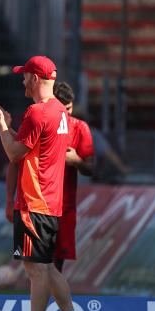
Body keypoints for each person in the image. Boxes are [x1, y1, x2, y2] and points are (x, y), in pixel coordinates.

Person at [0, 55, 91, 311]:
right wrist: (4, 128)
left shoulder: (37, 111)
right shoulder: (58, 111)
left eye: (25, 75)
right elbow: (31, 146)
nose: (22, 80)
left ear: (36, 79)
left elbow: (15, 154)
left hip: (35, 199)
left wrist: (2, 127)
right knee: (47, 267)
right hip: (49, 200)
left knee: (35, 269)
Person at [7, 81, 94, 274]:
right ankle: (50, 304)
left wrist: (77, 161)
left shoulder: (80, 128)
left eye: (70, 108)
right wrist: (9, 200)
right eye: (64, 108)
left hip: (63, 207)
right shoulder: (39, 119)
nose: (67, 113)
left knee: (53, 266)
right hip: (32, 202)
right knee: (34, 266)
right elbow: (15, 161)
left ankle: (55, 304)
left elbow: (92, 169)